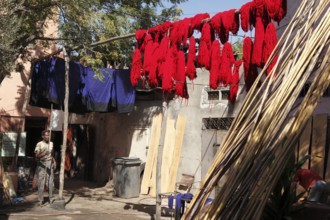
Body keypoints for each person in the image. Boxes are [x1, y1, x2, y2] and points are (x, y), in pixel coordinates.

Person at [34, 130, 55, 206]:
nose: (48, 137)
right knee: (41, 182)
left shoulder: (51, 143)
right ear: (43, 136)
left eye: (49, 135)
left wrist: (53, 160)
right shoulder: (39, 144)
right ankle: (40, 200)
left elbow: (52, 153)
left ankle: (51, 198)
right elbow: (37, 156)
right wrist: (43, 153)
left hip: (50, 163)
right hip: (42, 163)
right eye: (46, 135)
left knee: (50, 182)